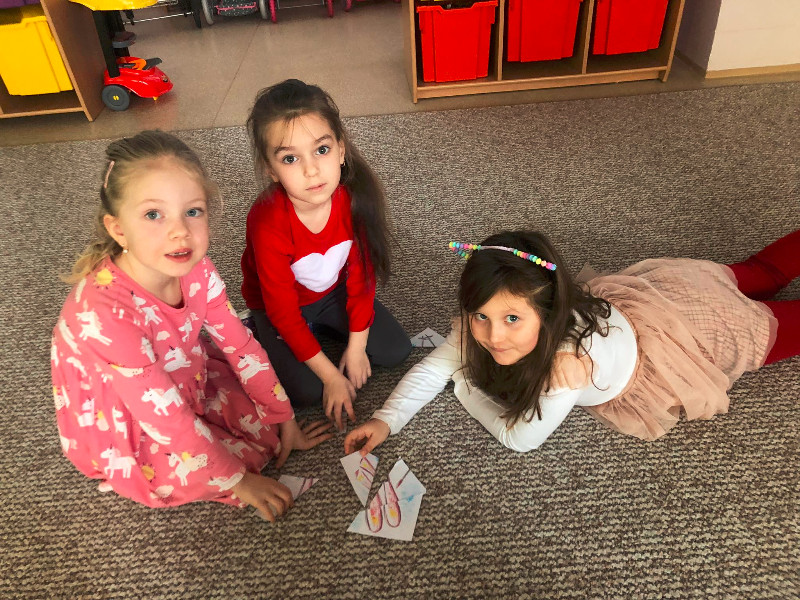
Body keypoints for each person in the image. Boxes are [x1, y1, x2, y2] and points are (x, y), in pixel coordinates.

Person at [52, 130, 332, 522]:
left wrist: (283, 417)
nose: (180, 231)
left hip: (181, 372)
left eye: (193, 211)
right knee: (225, 467)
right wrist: (237, 481)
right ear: (118, 229)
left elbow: (240, 346)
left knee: (268, 433)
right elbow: (164, 418)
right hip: (128, 416)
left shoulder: (196, 268)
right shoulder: (104, 315)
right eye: (153, 214)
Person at [345, 229, 800, 454]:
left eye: (511, 319)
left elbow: (519, 439)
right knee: (757, 272)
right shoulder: (483, 327)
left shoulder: (567, 368)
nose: (492, 337)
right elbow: (430, 370)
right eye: (480, 316)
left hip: (695, 336)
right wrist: (386, 419)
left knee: (771, 309)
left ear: (548, 313)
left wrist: (464, 387)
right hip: (659, 298)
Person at [241, 79, 411, 431]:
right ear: (271, 169)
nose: (312, 170)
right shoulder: (267, 221)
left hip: (331, 293)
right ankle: (260, 330)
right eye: (290, 158)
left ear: (341, 150)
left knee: (395, 350)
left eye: (321, 150)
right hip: (277, 307)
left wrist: (357, 346)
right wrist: (331, 376)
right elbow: (282, 311)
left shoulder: (353, 201)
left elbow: (362, 279)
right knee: (307, 392)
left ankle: (323, 330)